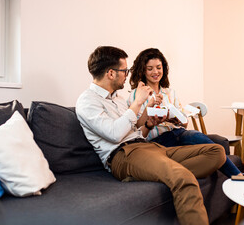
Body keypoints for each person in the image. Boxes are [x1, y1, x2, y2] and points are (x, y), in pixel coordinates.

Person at [76, 46, 228, 225]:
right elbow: (115, 135)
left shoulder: (116, 98)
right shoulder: (87, 101)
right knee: (183, 178)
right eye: (125, 70)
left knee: (216, 152)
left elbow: (133, 131)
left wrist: (148, 123)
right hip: (124, 156)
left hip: (148, 147)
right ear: (111, 73)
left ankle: (155, 173)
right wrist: (138, 102)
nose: (127, 74)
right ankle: (167, 174)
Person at [128, 48, 242, 177]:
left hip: (177, 133)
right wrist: (150, 111)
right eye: (150, 69)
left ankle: (238, 177)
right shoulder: (136, 95)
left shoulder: (170, 93)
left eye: (159, 67)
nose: (155, 72)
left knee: (199, 138)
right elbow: (136, 127)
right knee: (197, 139)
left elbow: (184, 123)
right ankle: (239, 176)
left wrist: (176, 119)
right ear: (143, 70)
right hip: (156, 141)